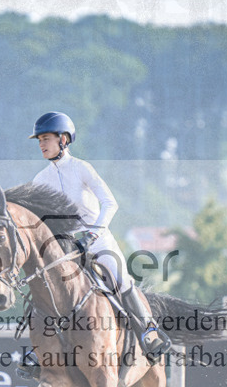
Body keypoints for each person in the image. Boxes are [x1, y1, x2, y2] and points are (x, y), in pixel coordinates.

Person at [28, 111, 170, 359]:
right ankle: (39, 350)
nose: (41, 144)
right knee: (47, 287)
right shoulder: (40, 179)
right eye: (39, 139)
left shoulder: (82, 168)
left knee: (120, 278)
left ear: (63, 139)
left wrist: (93, 234)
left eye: (46, 138)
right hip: (66, 247)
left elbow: (110, 203)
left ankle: (149, 332)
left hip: (98, 239)